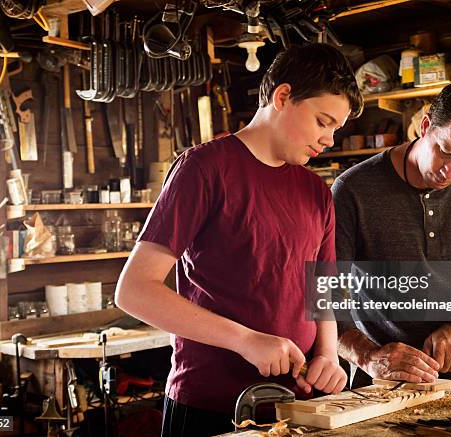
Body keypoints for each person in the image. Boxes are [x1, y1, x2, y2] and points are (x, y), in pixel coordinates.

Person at [115, 43, 364, 437]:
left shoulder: (317, 191)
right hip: (209, 407)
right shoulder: (203, 168)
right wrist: (247, 340)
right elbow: (133, 291)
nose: (329, 139)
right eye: (322, 121)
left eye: (336, 128)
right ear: (282, 97)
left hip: (296, 407)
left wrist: (328, 354)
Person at [333, 81, 451, 387]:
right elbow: (324, 296)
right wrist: (368, 357)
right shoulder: (353, 189)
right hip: (382, 382)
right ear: (424, 127)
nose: (450, 172)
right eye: (444, 151)